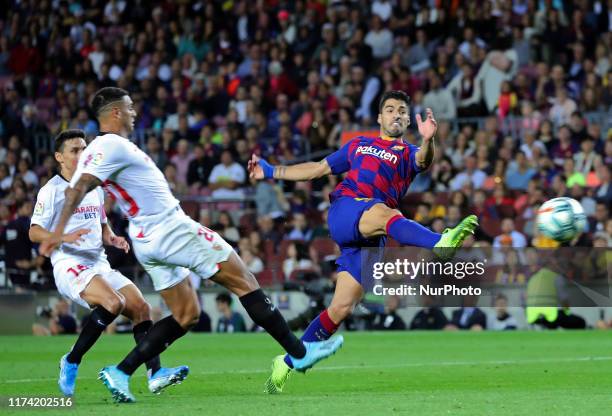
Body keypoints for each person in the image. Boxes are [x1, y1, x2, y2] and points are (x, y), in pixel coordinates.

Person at [40, 87, 341, 403]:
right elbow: (78, 189)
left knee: (187, 314)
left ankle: (121, 372)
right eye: (129, 108)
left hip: (147, 239)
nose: (134, 112)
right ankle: (299, 351)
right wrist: (56, 233)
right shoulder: (109, 145)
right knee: (244, 279)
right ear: (115, 112)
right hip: (170, 228)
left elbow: (84, 186)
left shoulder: (101, 149)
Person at [249, 90, 478, 393]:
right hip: (348, 209)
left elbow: (423, 161)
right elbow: (317, 169)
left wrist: (428, 140)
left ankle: (290, 361)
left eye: (402, 111)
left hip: (373, 236)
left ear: (408, 119)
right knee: (386, 211)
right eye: (390, 109)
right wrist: (269, 170)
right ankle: (440, 242)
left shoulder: (408, 152)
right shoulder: (359, 145)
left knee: (342, 307)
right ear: (380, 117)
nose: (396, 114)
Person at [30, 129, 187, 397]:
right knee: (113, 303)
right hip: (69, 263)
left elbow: (101, 222)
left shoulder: (93, 186)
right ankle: (72, 360)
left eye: (84, 148)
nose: (81, 154)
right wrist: (63, 236)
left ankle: (155, 374)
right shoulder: (52, 190)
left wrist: (112, 237)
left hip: (99, 263)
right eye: (74, 150)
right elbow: (34, 231)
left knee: (141, 308)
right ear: (60, 157)